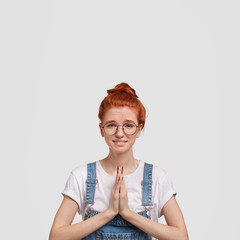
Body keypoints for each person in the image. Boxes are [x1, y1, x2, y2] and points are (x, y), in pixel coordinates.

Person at [49, 82, 188, 240]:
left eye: (128, 125)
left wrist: (128, 213)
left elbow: (181, 236)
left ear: (139, 130)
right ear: (101, 130)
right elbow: (56, 236)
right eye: (111, 125)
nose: (119, 133)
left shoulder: (157, 177)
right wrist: (109, 212)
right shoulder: (82, 177)